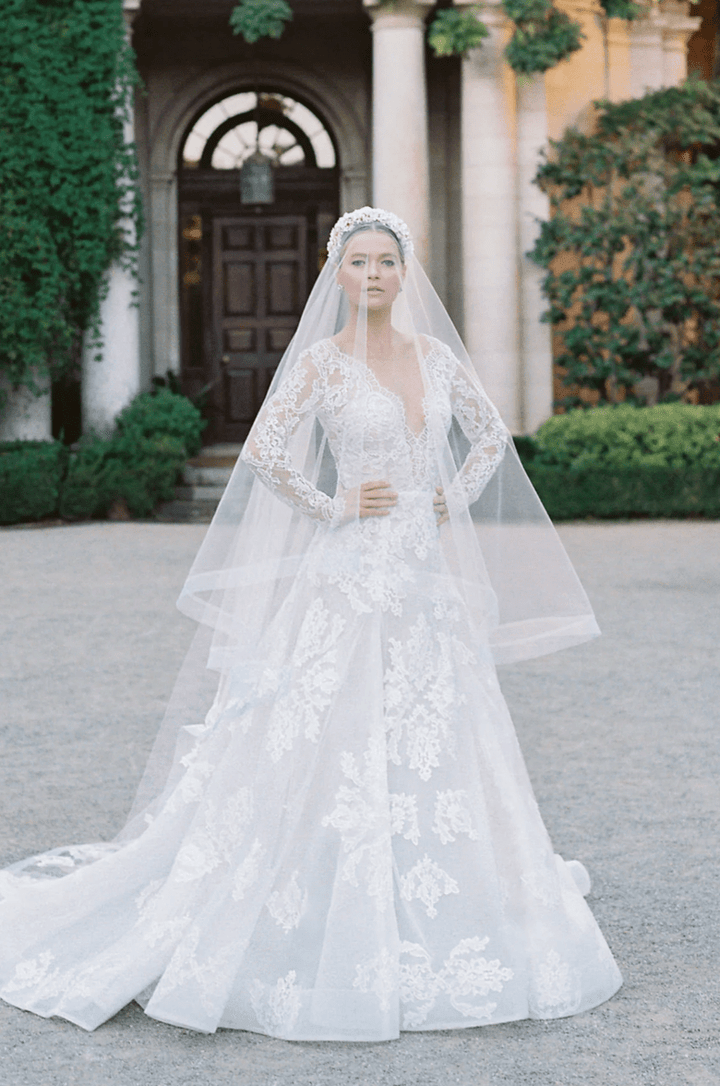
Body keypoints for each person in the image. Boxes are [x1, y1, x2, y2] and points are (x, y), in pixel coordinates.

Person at [0, 208, 621, 1040]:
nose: (373, 276)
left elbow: (486, 441)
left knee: (441, 738)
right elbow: (262, 452)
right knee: (320, 736)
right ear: (337, 271)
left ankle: (441, 898)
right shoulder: (325, 366)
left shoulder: (435, 358)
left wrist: (449, 497)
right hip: (348, 579)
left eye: (386, 263)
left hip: (422, 586)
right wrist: (332, 504)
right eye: (359, 262)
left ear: (406, 274)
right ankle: (315, 896)